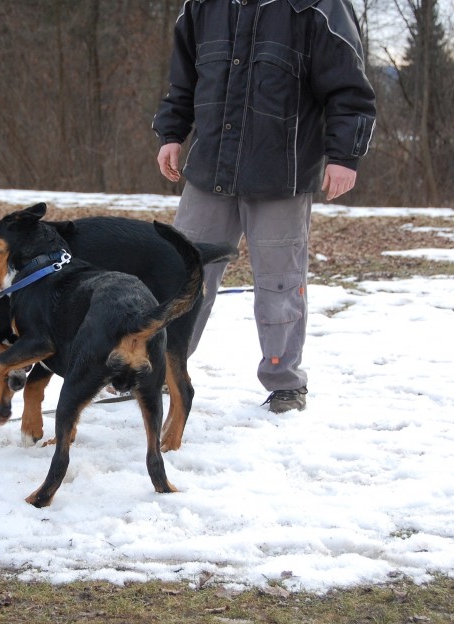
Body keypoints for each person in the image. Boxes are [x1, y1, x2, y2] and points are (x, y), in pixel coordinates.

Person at [152, 0, 377, 414]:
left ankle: (284, 383)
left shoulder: (318, 7)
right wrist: (171, 132)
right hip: (209, 169)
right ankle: (161, 371)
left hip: (282, 173)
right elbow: (183, 79)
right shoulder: (202, 7)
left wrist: (345, 156)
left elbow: (349, 88)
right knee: (180, 274)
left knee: (280, 284)